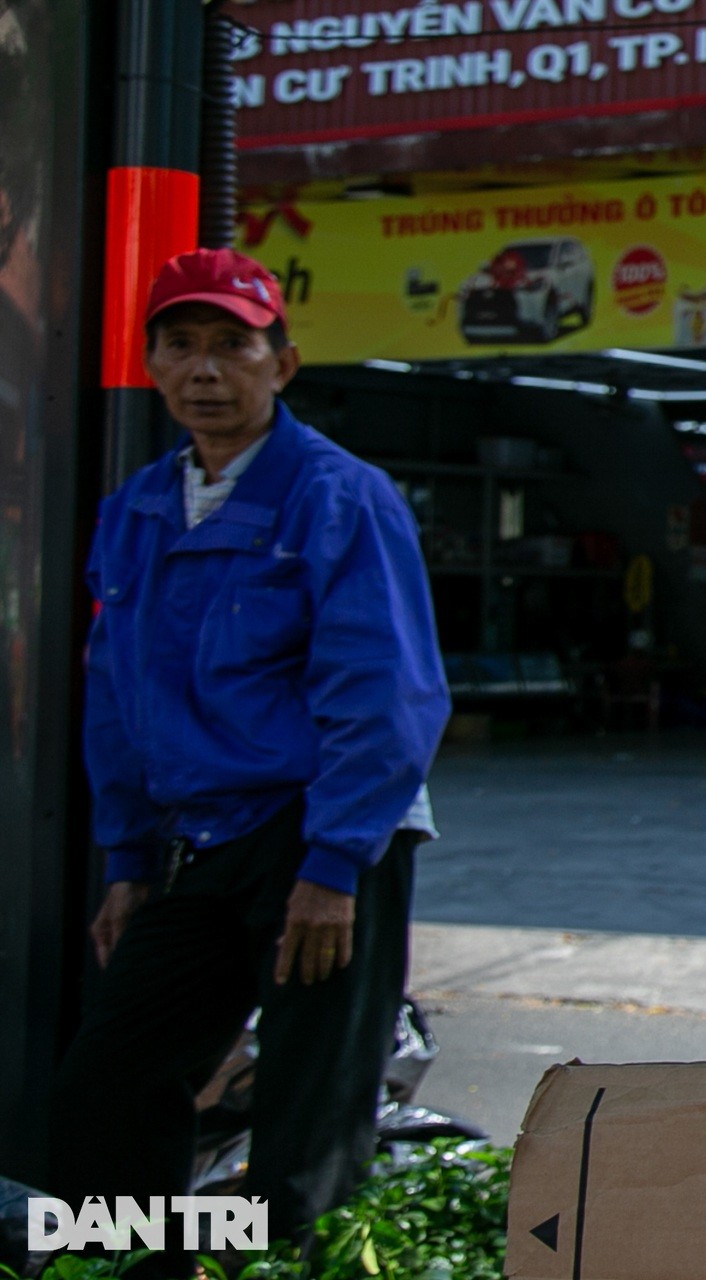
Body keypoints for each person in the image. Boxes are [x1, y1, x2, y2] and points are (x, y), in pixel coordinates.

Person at [49, 246, 450, 1271]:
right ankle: (148, 1267)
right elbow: (117, 695)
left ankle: (296, 1262)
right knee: (111, 1077)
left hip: (326, 835)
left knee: (306, 1123)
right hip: (206, 839)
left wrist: (331, 867)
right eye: (180, 345)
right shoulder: (138, 510)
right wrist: (131, 859)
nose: (206, 371)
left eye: (234, 345)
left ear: (284, 362)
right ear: (149, 363)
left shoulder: (338, 497)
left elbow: (388, 692)